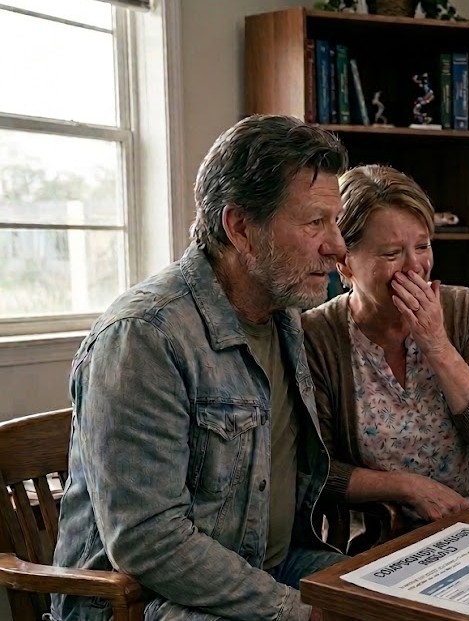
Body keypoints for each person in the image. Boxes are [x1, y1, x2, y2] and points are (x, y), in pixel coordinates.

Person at [52, 115, 350, 621]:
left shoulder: (283, 312)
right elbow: (148, 541)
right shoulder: (143, 336)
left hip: (270, 566)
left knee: (398, 600)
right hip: (145, 600)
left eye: (335, 221)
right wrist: (292, 610)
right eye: (314, 223)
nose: (338, 246)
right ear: (240, 228)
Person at [301, 164, 469, 527]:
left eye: (423, 246)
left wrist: (438, 345)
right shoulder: (317, 335)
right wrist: (406, 487)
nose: (415, 266)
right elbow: (316, 470)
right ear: (345, 261)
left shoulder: (464, 309)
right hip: (387, 533)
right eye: (392, 254)